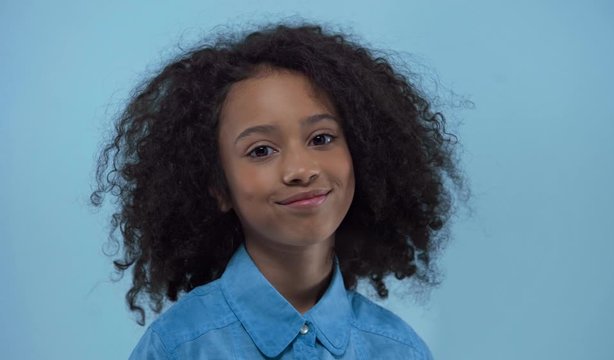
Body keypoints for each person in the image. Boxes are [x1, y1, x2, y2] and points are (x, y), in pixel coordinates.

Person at [92, 21, 463, 359]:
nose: (301, 170)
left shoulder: (399, 350)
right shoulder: (178, 348)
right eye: (261, 150)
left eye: (321, 138)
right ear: (219, 188)